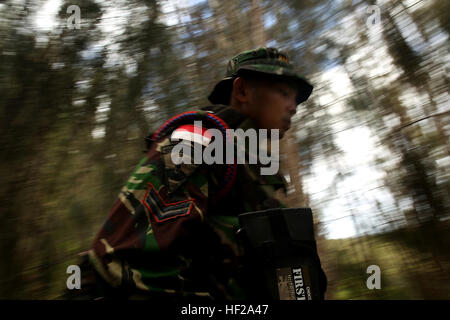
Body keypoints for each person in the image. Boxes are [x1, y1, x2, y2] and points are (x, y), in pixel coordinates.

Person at [71, 47, 324, 300]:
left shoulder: (255, 167)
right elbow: (125, 265)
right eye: (284, 92)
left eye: (296, 99)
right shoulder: (198, 142)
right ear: (242, 90)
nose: (293, 107)